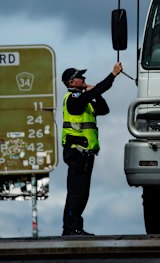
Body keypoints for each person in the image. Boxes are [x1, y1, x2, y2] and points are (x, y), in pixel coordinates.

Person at [60, 62, 122, 236]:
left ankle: (76, 227)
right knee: (76, 193)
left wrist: (97, 95)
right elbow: (94, 92)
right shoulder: (73, 100)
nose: (84, 79)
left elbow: (104, 109)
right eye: (80, 77)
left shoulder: (84, 101)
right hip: (77, 153)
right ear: (71, 83)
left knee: (82, 194)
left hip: (86, 155)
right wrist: (113, 75)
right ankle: (69, 228)